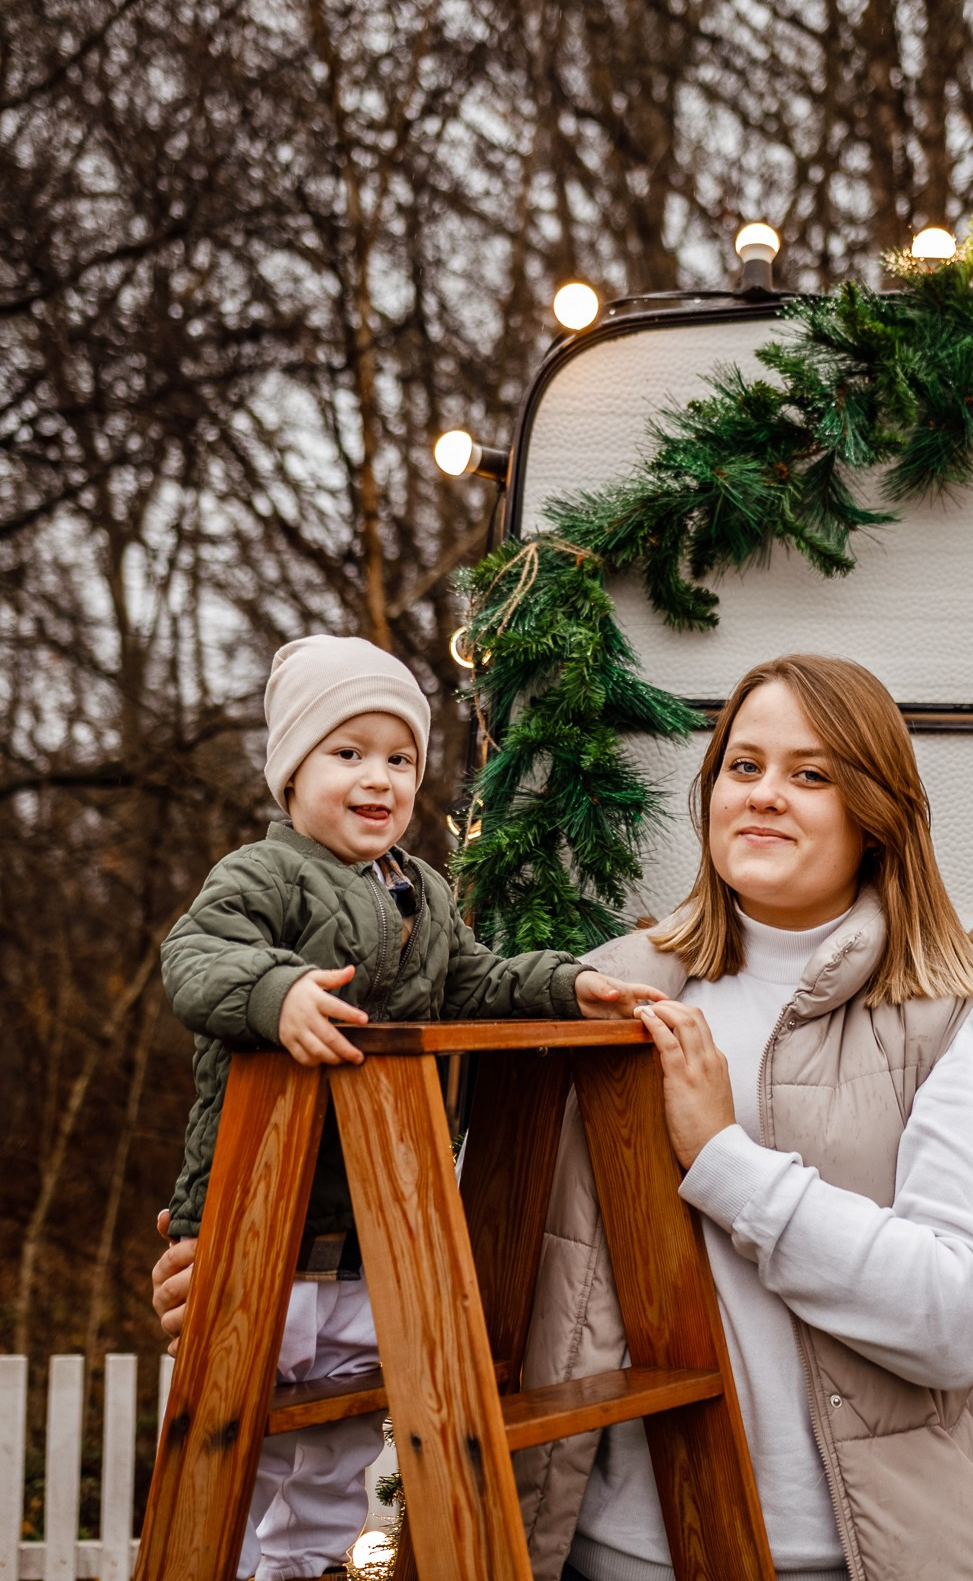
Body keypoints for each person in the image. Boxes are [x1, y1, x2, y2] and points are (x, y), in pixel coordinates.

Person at [515, 652, 973, 1581]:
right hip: (622, 1555)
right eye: (743, 766)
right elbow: (509, 1260)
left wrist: (723, 1158)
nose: (764, 794)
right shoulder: (609, 996)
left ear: (876, 815)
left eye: (810, 775)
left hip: (882, 1557)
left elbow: (958, 1318)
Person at [157, 633, 662, 1581]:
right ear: (291, 770)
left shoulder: (422, 890)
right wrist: (277, 994)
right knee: (231, 1445)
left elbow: (477, 982)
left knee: (340, 1450)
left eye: (399, 759)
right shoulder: (261, 876)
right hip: (259, 1222)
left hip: (370, 1233)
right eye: (347, 753)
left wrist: (567, 985)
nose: (377, 779)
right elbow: (194, 958)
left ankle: (303, 1569)